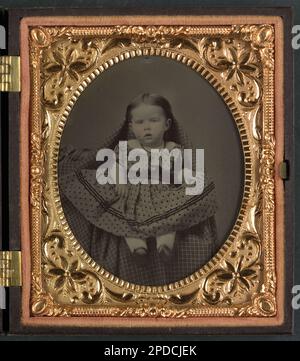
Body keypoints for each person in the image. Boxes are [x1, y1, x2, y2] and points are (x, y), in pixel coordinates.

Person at [58, 93, 218, 285]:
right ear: (131, 127)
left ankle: (165, 243)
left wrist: (184, 176)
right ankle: (136, 245)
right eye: (140, 122)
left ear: (167, 125)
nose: (147, 127)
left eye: (154, 121)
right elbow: (115, 165)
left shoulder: (173, 149)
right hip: (133, 192)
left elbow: (180, 170)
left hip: (163, 193)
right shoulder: (128, 147)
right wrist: (119, 180)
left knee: (170, 214)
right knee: (123, 211)